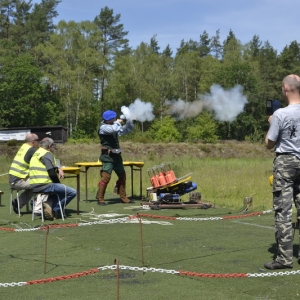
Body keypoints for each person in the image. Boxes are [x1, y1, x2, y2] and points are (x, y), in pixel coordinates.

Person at [264, 74, 300, 270]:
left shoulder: (280, 114)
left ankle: (285, 259)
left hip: (286, 162)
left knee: (283, 211)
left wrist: (271, 122)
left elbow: (269, 144)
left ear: (286, 88)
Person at [29, 137, 76, 220]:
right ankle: (54, 209)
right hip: (45, 184)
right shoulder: (47, 154)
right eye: (53, 145)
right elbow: (51, 173)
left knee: (59, 190)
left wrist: (58, 168)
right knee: (72, 192)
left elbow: (48, 166)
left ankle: (43, 204)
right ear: (50, 146)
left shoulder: (37, 153)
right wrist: (59, 184)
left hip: (34, 185)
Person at [96, 110, 135, 206]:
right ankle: (100, 198)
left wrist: (130, 121)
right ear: (109, 119)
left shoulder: (114, 125)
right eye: (113, 118)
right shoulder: (103, 127)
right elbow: (113, 129)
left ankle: (123, 197)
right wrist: (118, 122)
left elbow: (125, 130)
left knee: (122, 176)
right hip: (107, 156)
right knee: (106, 178)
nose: (114, 119)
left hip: (117, 155)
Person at [9, 133, 40, 214]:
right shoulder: (32, 150)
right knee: (41, 183)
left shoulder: (23, 147)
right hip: (18, 180)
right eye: (38, 140)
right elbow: (42, 160)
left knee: (35, 185)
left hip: (14, 179)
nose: (39, 142)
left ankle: (18, 202)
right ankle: (38, 207)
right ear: (33, 142)